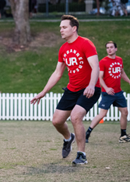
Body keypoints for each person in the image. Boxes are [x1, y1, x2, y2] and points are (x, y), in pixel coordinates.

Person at [30, 15, 101, 166]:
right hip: (72, 89)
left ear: (74, 28)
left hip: (89, 89)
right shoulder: (63, 49)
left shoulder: (86, 43)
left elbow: (96, 66)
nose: (61, 30)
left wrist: (91, 85)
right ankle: (69, 138)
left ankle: (81, 155)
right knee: (56, 121)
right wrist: (43, 92)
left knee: (76, 116)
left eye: (64, 27)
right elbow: (57, 73)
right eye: (60, 28)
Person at [86, 41, 130, 143]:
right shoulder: (103, 61)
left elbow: (122, 72)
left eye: (111, 47)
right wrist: (107, 88)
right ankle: (86, 134)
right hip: (107, 93)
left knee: (125, 112)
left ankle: (123, 136)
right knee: (102, 115)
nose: (109, 49)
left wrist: (129, 81)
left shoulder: (119, 60)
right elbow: (99, 77)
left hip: (118, 92)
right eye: (107, 48)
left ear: (116, 49)